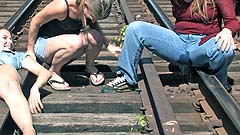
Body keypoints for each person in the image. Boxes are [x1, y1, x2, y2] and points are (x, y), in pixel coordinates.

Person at [101, 0, 240, 93]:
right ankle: (127, 78)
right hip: (178, 43)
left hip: (203, 44)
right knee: (135, 28)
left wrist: (227, 31)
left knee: (226, 49)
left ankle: (221, 83)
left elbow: (232, 22)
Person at [27, 0, 121, 91]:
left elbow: (94, 26)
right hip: (44, 46)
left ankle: (90, 67)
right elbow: (35, 21)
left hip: (66, 47)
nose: (92, 20)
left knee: (96, 37)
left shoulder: (87, 9)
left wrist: (108, 45)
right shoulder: (63, 6)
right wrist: (30, 50)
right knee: (77, 42)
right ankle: (54, 72)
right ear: (85, 5)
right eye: (92, 16)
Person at [0, 28, 51, 134]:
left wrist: (35, 88)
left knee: (10, 77)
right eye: (4, 38)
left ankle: (28, 130)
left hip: (4, 78)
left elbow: (44, 72)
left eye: (11, 39)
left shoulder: (17, 56)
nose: (9, 42)